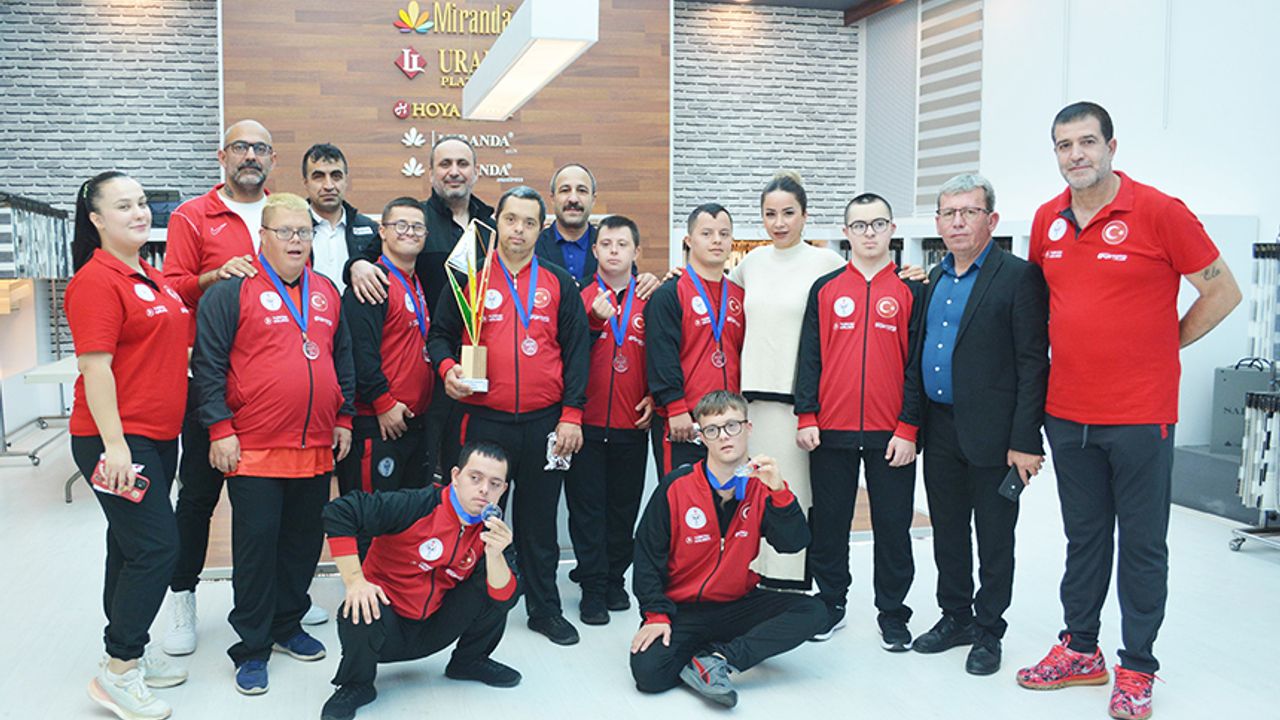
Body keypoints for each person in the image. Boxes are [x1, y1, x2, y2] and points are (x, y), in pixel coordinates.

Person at [1017, 102, 1241, 720]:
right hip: (1067, 413)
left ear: (1112, 147)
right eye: (1064, 145)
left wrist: (1165, 343)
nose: (1076, 155)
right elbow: (1037, 307)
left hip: (1141, 414)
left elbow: (1222, 290)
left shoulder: (1161, 212)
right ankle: (1080, 650)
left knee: (1142, 544)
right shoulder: (1047, 220)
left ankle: (1137, 666)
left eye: (1087, 142)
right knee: (1084, 538)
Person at [191, 192, 356, 695]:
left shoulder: (326, 291)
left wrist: (344, 417)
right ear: (261, 236)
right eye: (284, 231)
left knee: (302, 545)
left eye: (303, 232)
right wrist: (219, 429)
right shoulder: (231, 291)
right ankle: (252, 647)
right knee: (257, 551)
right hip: (254, 450)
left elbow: (342, 357)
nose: (295, 241)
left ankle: (287, 625)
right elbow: (208, 366)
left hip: (315, 447)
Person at [426, 185, 590, 646]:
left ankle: (544, 610)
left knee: (539, 523)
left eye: (529, 222)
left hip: (544, 423)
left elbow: (578, 353)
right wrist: (447, 368)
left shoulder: (558, 283)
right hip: (483, 421)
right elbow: (439, 335)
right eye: (511, 219)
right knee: (475, 515)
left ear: (542, 228)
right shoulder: (469, 276)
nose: (519, 229)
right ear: (496, 222)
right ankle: (468, 610)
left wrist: (572, 414)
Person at [899, 173, 1049, 677]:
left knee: (994, 538)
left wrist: (1026, 440)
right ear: (938, 222)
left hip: (996, 436)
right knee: (947, 531)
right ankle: (956, 617)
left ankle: (988, 630)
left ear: (992, 219)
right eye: (949, 213)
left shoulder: (1018, 277)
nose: (958, 222)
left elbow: (1033, 364)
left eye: (969, 212)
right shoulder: (934, 277)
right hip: (940, 428)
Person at [67, 171, 192, 720]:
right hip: (116, 438)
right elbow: (95, 369)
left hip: (158, 437)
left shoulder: (151, 276)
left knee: (128, 546)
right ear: (96, 219)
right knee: (158, 548)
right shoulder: (96, 282)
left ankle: (128, 651)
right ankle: (118, 672)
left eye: (142, 203)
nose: (139, 212)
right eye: (124, 206)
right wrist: (115, 446)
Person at [629, 391, 826, 708]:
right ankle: (706, 653)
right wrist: (655, 615)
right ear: (702, 437)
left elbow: (793, 543)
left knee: (815, 611)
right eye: (712, 429)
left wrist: (779, 491)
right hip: (684, 609)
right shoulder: (676, 486)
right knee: (649, 675)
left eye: (732, 426)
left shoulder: (763, 484)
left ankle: (718, 659)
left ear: (748, 428)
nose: (724, 436)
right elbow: (647, 556)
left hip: (738, 604)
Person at [161, 119, 275, 656]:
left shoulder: (285, 213)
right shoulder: (192, 215)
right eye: (241, 147)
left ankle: (281, 597)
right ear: (222, 156)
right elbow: (172, 289)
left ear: (272, 159)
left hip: (271, 384)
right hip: (209, 378)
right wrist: (214, 276)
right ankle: (182, 595)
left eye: (260, 148)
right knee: (199, 496)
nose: (251, 155)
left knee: (273, 500)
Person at [795, 192, 923, 647]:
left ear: (892, 230)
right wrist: (806, 414)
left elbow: (917, 367)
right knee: (829, 524)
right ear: (846, 232)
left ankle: (893, 612)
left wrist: (909, 427)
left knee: (893, 526)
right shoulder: (825, 289)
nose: (870, 233)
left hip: (893, 435)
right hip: (830, 429)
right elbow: (809, 356)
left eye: (878, 224)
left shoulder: (913, 290)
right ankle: (831, 604)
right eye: (860, 225)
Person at [318, 441, 520, 720]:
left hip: (434, 628)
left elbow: (505, 598)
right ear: (456, 476)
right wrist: (355, 581)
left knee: (498, 579)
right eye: (475, 478)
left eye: (494, 484)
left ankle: (469, 661)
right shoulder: (415, 505)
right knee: (359, 606)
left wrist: (495, 555)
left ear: (503, 490)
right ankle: (356, 684)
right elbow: (340, 511)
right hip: (386, 629)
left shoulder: (492, 530)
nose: (484, 489)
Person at [346, 135, 495, 483]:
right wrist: (354, 266)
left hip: (481, 367)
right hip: (433, 366)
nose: (454, 172)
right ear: (430, 174)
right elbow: (369, 258)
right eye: (445, 164)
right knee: (429, 473)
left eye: (462, 164)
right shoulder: (416, 221)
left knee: (469, 466)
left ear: (476, 172)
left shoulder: (491, 225)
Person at [729, 171, 844, 590]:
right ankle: (753, 576)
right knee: (754, 491)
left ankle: (795, 580)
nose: (779, 223)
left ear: (805, 215)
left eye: (788, 213)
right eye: (770, 214)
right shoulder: (751, 264)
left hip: (799, 403)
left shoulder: (828, 264)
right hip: (752, 403)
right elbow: (720, 299)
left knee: (796, 493)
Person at [565, 215, 655, 624]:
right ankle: (592, 587)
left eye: (622, 244)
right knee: (586, 510)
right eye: (606, 244)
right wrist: (594, 321)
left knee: (623, 508)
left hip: (631, 424)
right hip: (585, 424)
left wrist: (655, 395)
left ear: (636, 252)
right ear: (595, 250)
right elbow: (566, 356)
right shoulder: (577, 296)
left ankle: (616, 579)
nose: (614, 251)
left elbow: (663, 355)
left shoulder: (652, 298)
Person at [337, 198, 434, 503]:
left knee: (406, 520)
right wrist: (383, 402)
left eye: (417, 227)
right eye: (400, 225)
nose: (410, 232)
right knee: (372, 518)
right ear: (382, 231)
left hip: (410, 424)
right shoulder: (372, 283)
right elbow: (358, 353)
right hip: (377, 423)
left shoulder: (415, 283)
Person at [645, 204, 745, 476]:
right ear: (689, 241)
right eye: (707, 233)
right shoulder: (669, 293)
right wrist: (675, 407)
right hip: (685, 421)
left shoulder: (739, 296)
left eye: (724, 234)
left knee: (727, 495)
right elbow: (661, 355)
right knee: (682, 495)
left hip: (729, 423)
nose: (717, 240)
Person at [534, 162, 660, 294]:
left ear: (593, 199)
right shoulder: (533, 246)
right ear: (553, 199)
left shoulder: (611, 246)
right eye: (565, 190)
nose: (573, 199)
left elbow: (628, 288)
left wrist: (645, 282)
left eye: (582, 191)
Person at [303, 143, 381, 296]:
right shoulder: (291, 231)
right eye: (319, 177)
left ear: (346, 181)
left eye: (336, 176)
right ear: (306, 183)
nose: (329, 186)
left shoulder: (371, 230)